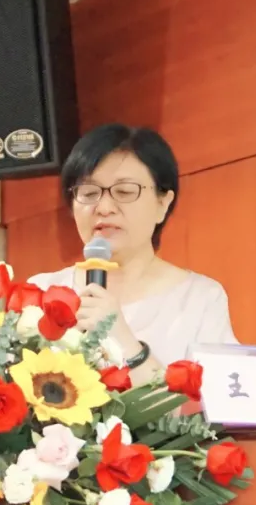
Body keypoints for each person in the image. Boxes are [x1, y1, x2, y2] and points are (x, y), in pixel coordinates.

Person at [28, 123, 238, 384]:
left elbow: (214, 405)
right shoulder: (41, 292)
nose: (104, 207)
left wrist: (122, 338)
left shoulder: (200, 300)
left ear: (163, 203)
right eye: (89, 193)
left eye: (125, 192)